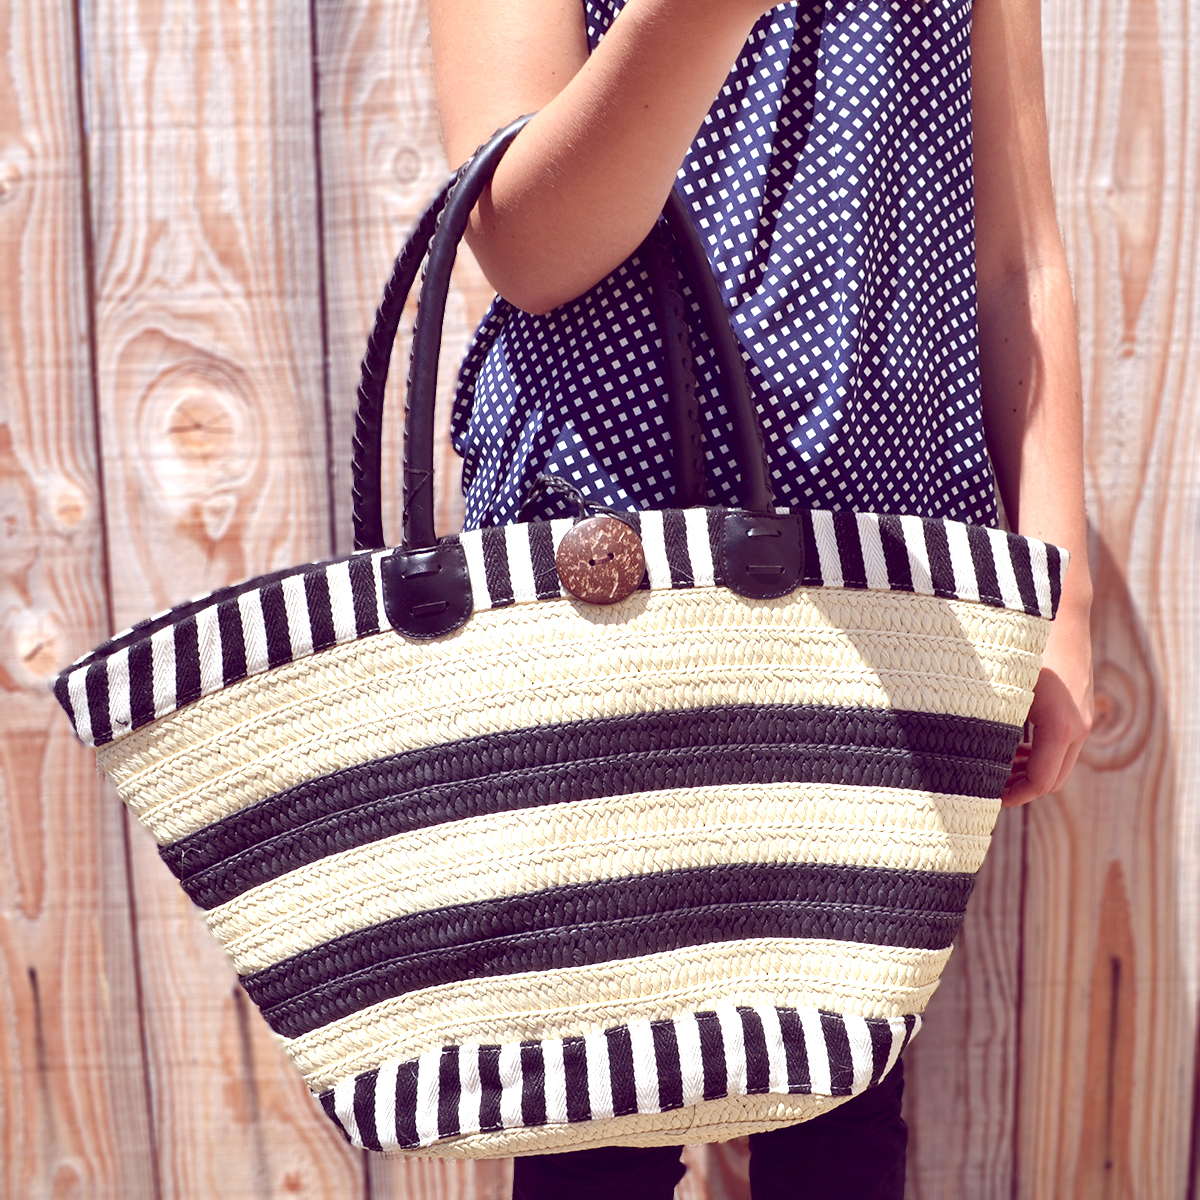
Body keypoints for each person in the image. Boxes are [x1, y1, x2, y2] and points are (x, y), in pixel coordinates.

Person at [426, 0, 1094, 1195]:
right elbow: (529, 249)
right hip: (610, 567)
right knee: (594, 1109)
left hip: (886, 567)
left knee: (842, 1093)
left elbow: (1015, 252)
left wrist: (1062, 588)